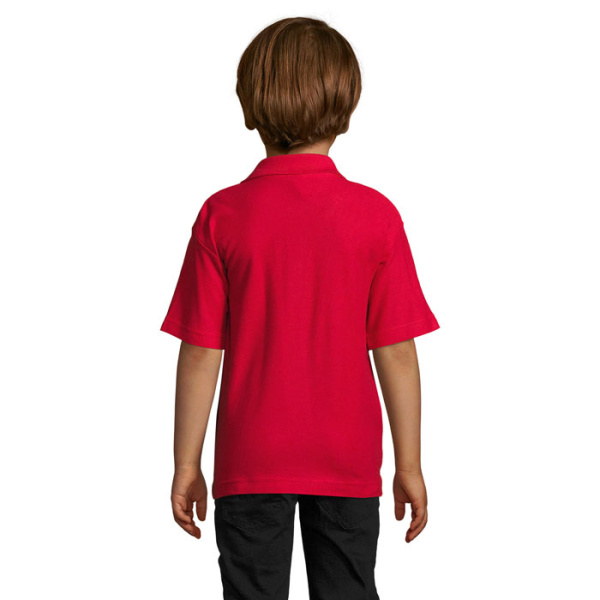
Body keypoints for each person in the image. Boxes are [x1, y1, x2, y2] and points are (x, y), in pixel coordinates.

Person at [160, 16, 440, 600]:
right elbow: (396, 352)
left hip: (251, 459)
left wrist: (187, 462)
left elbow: (201, 351)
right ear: (346, 105)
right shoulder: (376, 217)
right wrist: (409, 464)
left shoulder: (222, 216)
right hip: (346, 458)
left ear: (250, 106)